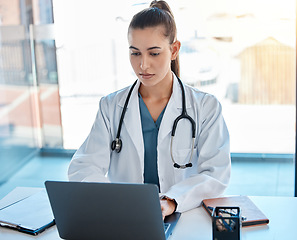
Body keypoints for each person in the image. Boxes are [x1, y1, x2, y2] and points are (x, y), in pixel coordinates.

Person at [68, 0, 231, 219]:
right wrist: (113, 198)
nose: (143, 65)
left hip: (184, 215)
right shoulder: (111, 107)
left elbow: (216, 173)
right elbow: (83, 167)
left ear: (174, 50)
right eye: (135, 53)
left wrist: (173, 201)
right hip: (125, 216)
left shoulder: (205, 107)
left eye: (154, 53)